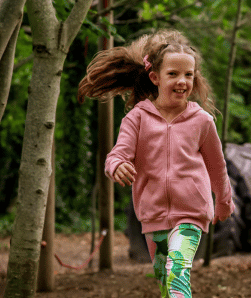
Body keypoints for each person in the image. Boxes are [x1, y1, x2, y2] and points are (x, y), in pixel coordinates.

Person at [78, 30, 235, 298]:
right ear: (155, 77)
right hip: (153, 214)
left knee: (178, 268)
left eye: (188, 75)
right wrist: (117, 166)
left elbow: (216, 166)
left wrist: (223, 200)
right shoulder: (137, 119)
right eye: (173, 74)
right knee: (166, 281)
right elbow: (117, 155)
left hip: (191, 212)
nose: (182, 81)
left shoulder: (202, 121)